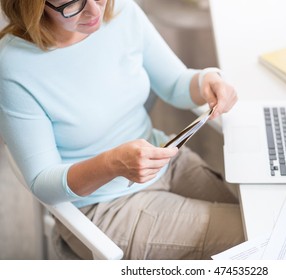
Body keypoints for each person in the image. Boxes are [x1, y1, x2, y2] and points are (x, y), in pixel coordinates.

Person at [0, 0, 244, 259]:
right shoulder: (15, 66)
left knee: (261, 215)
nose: (95, 12)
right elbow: (41, 182)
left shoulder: (122, 11)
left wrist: (209, 80)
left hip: (164, 160)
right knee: (252, 235)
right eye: (72, 3)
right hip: (103, 206)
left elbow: (174, 83)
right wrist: (112, 164)